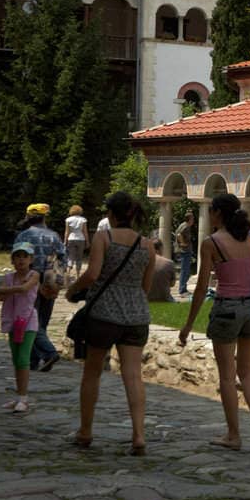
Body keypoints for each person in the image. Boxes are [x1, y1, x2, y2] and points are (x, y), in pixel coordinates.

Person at [179, 192, 250, 450]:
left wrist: (188, 325)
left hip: (226, 310)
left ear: (218, 213)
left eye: (211, 211)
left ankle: (233, 434)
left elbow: (200, 288)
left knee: (227, 377)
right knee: (247, 371)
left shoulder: (212, 243)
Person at [68, 190, 154, 455]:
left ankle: (85, 431)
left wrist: (72, 289)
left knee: (92, 371)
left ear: (110, 214)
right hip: (136, 316)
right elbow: (146, 287)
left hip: (104, 314)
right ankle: (139, 435)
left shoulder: (103, 238)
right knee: (133, 375)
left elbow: (93, 274)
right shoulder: (147, 245)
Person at [14, 203, 66, 373]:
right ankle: (34, 359)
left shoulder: (24, 236)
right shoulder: (54, 236)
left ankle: (49, 352)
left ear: (28, 217)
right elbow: (63, 260)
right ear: (44, 217)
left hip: (30, 282)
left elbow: (18, 259)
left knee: (29, 321)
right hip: (50, 282)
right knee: (42, 320)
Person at [0, 241, 40, 413]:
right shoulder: (8, 277)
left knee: (23, 358)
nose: (21, 260)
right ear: (12, 260)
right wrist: (5, 291)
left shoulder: (33, 275)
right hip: (12, 321)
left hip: (28, 321)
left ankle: (24, 398)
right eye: (17, 257)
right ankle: (19, 396)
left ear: (31, 259)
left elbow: (23, 289)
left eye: (24, 256)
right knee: (16, 360)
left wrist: (5, 290)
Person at [174, 210, 196, 296]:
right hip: (185, 251)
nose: (193, 220)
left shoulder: (183, 225)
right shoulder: (185, 226)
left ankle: (183, 288)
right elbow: (179, 235)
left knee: (185, 270)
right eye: (193, 218)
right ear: (189, 219)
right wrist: (182, 243)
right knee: (185, 270)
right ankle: (182, 290)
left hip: (184, 251)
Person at [64, 205, 89, 275]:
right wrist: (87, 242)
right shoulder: (83, 219)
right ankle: (78, 274)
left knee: (70, 256)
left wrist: (65, 241)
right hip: (81, 239)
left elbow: (67, 232)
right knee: (79, 257)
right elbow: (85, 231)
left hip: (71, 238)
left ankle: (68, 273)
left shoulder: (68, 220)